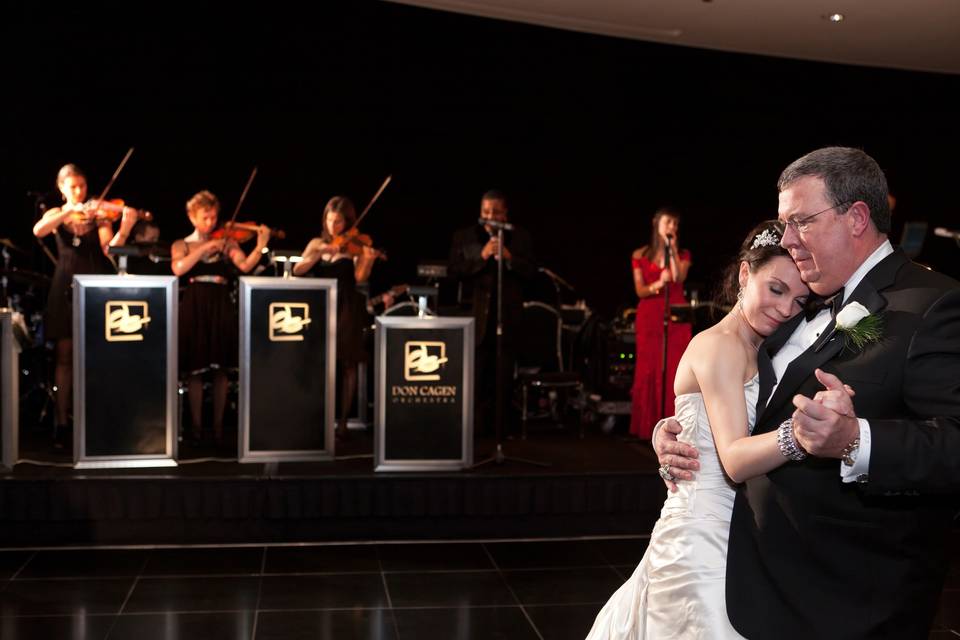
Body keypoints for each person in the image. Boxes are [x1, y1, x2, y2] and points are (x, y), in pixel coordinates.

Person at [655, 146, 960, 638]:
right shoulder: (799, 303)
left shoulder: (933, 304)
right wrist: (680, 430)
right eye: (785, 224)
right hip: (745, 576)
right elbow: (743, 397)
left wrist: (855, 440)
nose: (788, 239)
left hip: (844, 600)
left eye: (801, 222)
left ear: (857, 217)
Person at [587, 221, 812, 639]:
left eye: (799, 301)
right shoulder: (721, 344)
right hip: (702, 537)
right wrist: (803, 434)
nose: (785, 310)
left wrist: (667, 430)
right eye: (776, 289)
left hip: (736, 530)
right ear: (745, 274)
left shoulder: (760, 347)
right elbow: (735, 459)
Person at [32, 163, 138, 449]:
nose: (79, 191)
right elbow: (39, 231)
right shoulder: (56, 213)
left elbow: (110, 249)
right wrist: (69, 209)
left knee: (97, 356)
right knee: (64, 355)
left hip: (96, 284)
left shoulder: (100, 217)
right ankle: (61, 422)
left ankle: (96, 420)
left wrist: (125, 227)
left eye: (82, 186)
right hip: (65, 283)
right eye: (73, 186)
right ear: (62, 188)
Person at [171, 190, 269, 447]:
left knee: (221, 369)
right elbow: (178, 268)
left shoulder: (228, 243)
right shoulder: (182, 244)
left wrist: (260, 246)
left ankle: (217, 428)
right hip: (195, 302)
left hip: (220, 302)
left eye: (214, 217)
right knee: (194, 369)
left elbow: (245, 265)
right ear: (192, 218)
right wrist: (204, 247)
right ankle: (195, 426)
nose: (211, 222)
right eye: (205, 217)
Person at [447, 190, 536, 436]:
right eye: (486, 211)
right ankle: (472, 430)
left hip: (507, 317)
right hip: (475, 319)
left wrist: (509, 258)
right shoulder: (465, 236)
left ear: (505, 213)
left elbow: (531, 272)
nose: (490, 216)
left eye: (495, 212)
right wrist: (482, 255)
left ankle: (500, 431)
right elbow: (453, 271)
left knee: (504, 377)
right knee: (475, 376)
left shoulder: (520, 237)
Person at [294, 195, 381, 441]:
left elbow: (360, 277)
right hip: (319, 305)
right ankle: (317, 418)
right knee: (317, 363)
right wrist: (321, 250)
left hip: (346, 306)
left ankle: (343, 421)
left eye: (339, 222)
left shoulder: (355, 243)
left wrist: (368, 259)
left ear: (348, 222)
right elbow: (298, 269)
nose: (334, 227)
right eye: (330, 220)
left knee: (347, 363)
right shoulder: (316, 243)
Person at [629, 208, 692, 440]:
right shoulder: (639, 255)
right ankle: (647, 426)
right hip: (650, 315)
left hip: (675, 315)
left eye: (675, 224)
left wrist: (672, 250)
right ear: (656, 224)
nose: (672, 227)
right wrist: (657, 283)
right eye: (668, 222)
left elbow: (678, 278)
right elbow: (640, 290)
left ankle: (673, 426)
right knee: (650, 366)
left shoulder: (683, 254)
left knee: (674, 367)